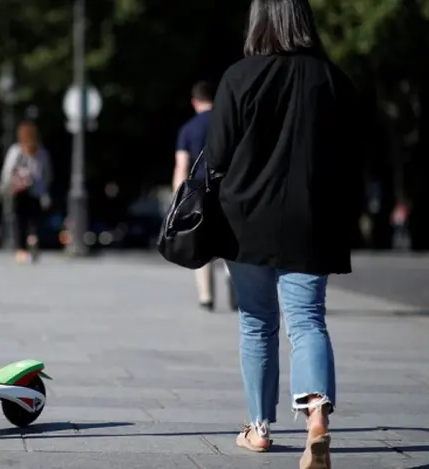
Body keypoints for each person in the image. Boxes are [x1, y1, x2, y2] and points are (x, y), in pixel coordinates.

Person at [204, 1, 363, 467]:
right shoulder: (334, 80)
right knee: (308, 320)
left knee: (257, 322)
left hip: (244, 221)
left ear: (258, 20)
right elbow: (353, 158)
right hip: (311, 220)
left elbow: (216, 155)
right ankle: (317, 416)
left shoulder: (238, 77)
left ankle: (258, 428)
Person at [174, 81, 235, 312]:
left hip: (199, 192)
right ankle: (234, 284)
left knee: (201, 242)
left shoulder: (188, 129)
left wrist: (178, 198)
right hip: (228, 188)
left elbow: (181, 166)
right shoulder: (228, 124)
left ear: (194, 102)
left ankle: (206, 297)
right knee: (229, 241)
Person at [0, 120, 52, 264]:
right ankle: (33, 238)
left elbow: (7, 171)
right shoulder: (41, 152)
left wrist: (6, 186)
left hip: (19, 191)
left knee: (20, 221)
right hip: (36, 192)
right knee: (34, 220)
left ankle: (22, 251)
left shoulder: (16, 150)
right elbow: (47, 174)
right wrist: (43, 189)